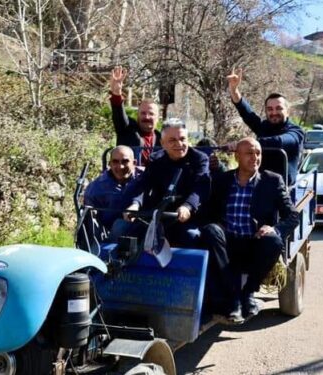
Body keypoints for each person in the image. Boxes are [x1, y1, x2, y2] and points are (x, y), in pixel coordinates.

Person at [199, 137, 299, 324]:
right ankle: (234, 299)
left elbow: (292, 216)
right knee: (210, 231)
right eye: (249, 153)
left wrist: (274, 229)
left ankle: (248, 293)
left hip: (255, 242)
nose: (255, 158)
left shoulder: (272, 180)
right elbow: (207, 212)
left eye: (258, 153)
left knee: (274, 241)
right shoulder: (222, 180)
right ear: (237, 156)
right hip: (228, 242)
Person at [121, 119, 210, 247]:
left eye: (183, 139)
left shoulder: (199, 159)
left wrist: (188, 206)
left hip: (187, 216)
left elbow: (200, 188)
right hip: (160, 215)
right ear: (162, 143)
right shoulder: (156, 159)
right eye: (172, 140)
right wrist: (135, 205)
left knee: (191, 236)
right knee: (127, 232)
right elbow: (144, 184)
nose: (179, 144)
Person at [226, 68, 304, 186]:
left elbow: (279, 142)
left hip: (282, 189)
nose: (274, 112)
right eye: (270, 109)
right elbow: (246, 113)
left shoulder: (296, 132)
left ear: (288, 111)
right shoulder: (264, 126)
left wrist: (244, 145)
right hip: (258, 186)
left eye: (279, 108)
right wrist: (234, 89)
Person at [83, 146, 139, 240]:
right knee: (120, 225)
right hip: (111, 233)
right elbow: (89, 220)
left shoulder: (145, 178)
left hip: (144, 227)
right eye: (115, 162)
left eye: (125, 161)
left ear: (134, 163)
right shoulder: (96, 188)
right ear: (109, 164)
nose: (120, 166)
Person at [108, 66, 162, 163]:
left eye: (151, 114)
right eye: (143, 113)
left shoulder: (163, 139)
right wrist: (116, 93)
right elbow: (119, 115)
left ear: (158, 118)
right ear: (137, 115)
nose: (146, 117)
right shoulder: (128, 129)